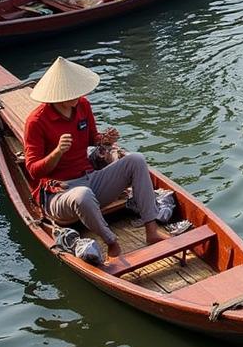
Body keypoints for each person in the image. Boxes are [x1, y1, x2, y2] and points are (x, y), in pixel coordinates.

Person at [23, 56, 168, 262]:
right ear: (56, 94)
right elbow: (33, 170)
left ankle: (151, 230)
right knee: (82, 195)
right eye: (70, 92)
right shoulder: (36, 122)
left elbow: (93, 137)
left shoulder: (82, 105)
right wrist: (56, 153)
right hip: (60, 194)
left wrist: (105, 139)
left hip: (90, 179)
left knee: (136, 159)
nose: (77, 95)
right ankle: (112, 242)